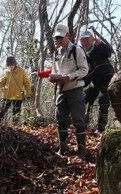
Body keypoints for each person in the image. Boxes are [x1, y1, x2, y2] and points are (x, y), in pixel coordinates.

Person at [50, 24, 89, 159]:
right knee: (60, 119)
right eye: (57, 37)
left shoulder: (77, 50)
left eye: (61, 36)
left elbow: (84, 70)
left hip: (75, 89)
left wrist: (69, 77)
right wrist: (53, 77)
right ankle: (63, 149)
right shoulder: (56, 53)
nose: (59, 39)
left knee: (78, 120)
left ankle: (82, 151)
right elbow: (54, 71)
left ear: (68, 36)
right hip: (61, 91)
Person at [79, 30, 114, 133]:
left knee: (103, 101)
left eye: (86, 39)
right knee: (84, 99)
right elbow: (86, 72)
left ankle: (101, 129)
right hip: (95, 81)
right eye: (82, 40)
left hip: (107, 78)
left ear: (91, 39)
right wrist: (80, 83)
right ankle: (83, 126)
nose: (84, 42)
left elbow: (109, 53)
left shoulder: (98, 47)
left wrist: (100, 43)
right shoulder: (83, 54)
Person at [0, 56, 32, 124]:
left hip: (18, 97)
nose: (10, 66)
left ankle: (15, 128)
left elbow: (27, 83)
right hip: (7, 96)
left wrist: (28, 94)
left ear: (15, 64)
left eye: (11, 65)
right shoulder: (6, 71)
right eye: (9, 65)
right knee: (1, 112)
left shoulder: (21, 71)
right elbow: (2, 82)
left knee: (16, 114)